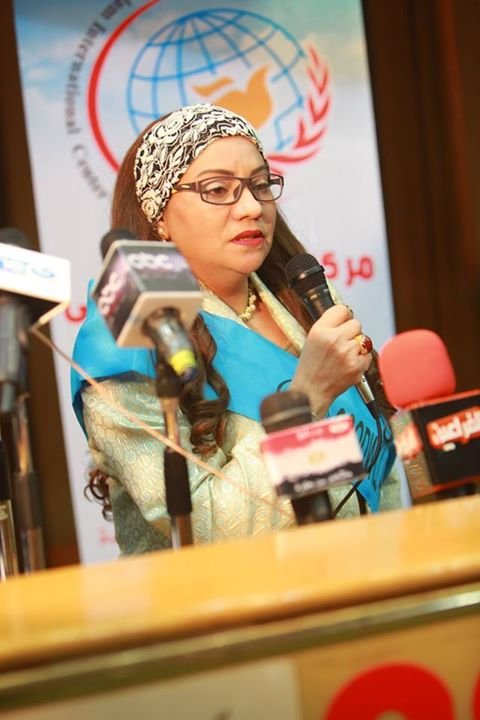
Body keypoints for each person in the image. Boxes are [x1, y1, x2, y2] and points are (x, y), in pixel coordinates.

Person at [71, 103, 401, 555]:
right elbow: (203, 528)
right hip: (231, 595)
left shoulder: (303, 296)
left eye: (260, 185)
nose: (251, 207)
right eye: (217, 189)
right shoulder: (128, 340)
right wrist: (306, 399)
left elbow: (377, 462)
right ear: (158, 215)